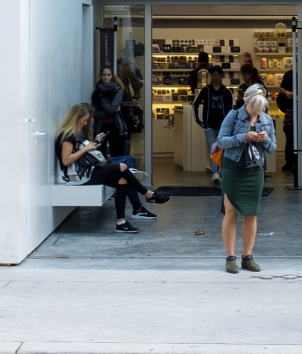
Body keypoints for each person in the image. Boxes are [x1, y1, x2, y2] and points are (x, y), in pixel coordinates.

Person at [55, 103, 169, 233]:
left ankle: (121, 222)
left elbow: (83, 154)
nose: (87, 123)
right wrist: (86, 148)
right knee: (122, 166)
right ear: (76, 118)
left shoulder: (77, 133)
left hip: (87, 171)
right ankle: (148, 194)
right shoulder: (67, 135)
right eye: (85, 120)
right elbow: (66, 160)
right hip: (79, 176)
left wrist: (96, 143)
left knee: (123, 181)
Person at [217, 85, 276, 273]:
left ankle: (247, 256)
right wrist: (244, 136)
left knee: (251, 214)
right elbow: (221, 141)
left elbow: (273, 148)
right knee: (231, 213)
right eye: (254, 108)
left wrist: (264, 139)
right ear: (246, 101)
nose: (258, 113)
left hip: (254, 170)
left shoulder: (267, 120)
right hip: (233, 168)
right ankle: (230, 257)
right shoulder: (233, 116)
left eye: (261, 109)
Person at [192, 67, 234, 184]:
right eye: (214, 75)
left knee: (221, 149)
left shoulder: (226, 92)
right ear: (211, 76)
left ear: (221, 76)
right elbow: (195, 104)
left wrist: (230, 125)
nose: (216, 78)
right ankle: (215, 173)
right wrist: (199, 121)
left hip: (223, 126)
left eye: (218, 75)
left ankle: (220, 172)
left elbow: (231, 110)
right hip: (209, 125)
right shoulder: (206, 90)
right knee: (212, 148)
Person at [91, 66, 129, 158]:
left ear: (112, 76)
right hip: (100, 128)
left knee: (117, 155)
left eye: (108, 75)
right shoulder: (96, 92)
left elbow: (111, 109)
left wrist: (103, 97)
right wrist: (109, 111)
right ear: (100, 75)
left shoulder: (117, 91)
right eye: (104, 74)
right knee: (100, 156)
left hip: (115, 127)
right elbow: (94, 114)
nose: (106, 77)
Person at [276, 67, 296, 172]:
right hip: (290, 109)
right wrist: (287, 93)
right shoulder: (289, 74)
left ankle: (296, 162)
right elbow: (281, 89)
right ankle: (289, 161)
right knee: (289, 135)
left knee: (297, 136)